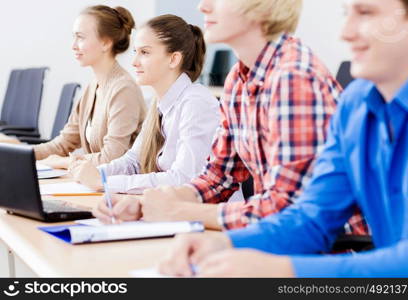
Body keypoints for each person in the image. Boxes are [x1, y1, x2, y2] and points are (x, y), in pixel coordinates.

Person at [158, 0, 408, 277]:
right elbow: (312, 217)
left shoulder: (296, 75)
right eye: (346, 13)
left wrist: (284, 270)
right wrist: (223, 243)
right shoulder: (356, 104)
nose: (345, 32)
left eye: (366, 13)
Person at [93, 0, 366, 238]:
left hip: (334, 254)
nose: (202, 6)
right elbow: (218, 177)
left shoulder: (293, 77)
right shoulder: (238, 78)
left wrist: (183, 211)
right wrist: (150, 205)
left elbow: (286, 210)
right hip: (279, 239)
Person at [70, 14, 220, 196]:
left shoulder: (196, 103)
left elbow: (183, 179)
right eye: (135, 52)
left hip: (208, 216)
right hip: (173, 208)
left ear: (173, 59)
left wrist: (104, 182)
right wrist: (95, 173)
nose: (134, 62)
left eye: (145, 52)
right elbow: (134, 161)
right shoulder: (159, 103)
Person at [35, 5, 146, 169]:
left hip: (118, 188)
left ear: (105, 43)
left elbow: (112, 158)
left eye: (80, 37)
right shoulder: (92, 88)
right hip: (95, 184)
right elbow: (63, 144)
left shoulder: (124, 90)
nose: (73, 45)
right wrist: (20, 155)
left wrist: (64, 162)